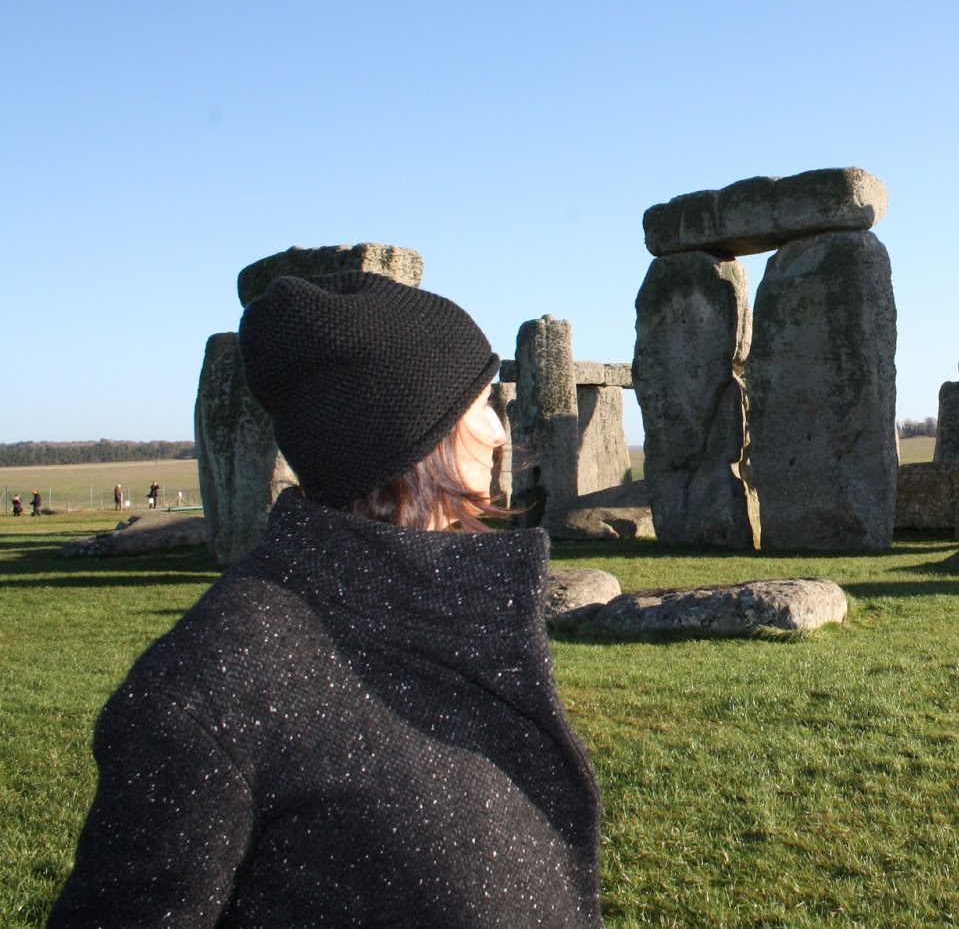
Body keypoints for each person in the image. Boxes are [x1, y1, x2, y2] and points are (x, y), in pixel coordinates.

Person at [51, 272, 602, 927]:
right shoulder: (209, 689)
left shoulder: (428, 607)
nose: (498, 432)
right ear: (409, 433)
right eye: (481, 403)